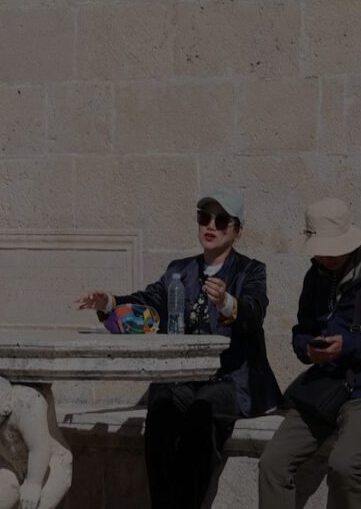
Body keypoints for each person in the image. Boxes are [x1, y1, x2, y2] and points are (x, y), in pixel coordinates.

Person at [76, 188, 282, 509]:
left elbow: (254, 311)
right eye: (204, 217)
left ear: (237, 231)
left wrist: (227, 302)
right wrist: (109, 302)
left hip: (230, 380)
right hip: (184, 377)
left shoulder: (250, 270)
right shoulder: (179, 270)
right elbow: (147, 302)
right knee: (160, 407)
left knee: (202, 414)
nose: (210, 226)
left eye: (221, 220)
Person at [258, 197, 361, 509]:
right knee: (272, 464)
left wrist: (348, 345)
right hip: (325, 388)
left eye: (331, 249)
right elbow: (302, 330)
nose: (325, 256)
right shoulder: (315, 276)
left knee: (344, 464)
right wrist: (308, 349)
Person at [0, 375, 72, 509]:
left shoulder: (26, 403)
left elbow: (40, 447)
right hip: (7, 462)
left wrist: (33, 484)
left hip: (50, 461)